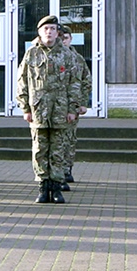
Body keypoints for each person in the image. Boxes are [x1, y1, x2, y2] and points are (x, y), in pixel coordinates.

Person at [16, 15, 81, 204]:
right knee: (40, 150)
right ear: (39, 32)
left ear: (57, 32)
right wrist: (25, 107)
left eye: (53, 29)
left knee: (58, 151)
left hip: (60, 110)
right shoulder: (31, 54)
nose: (49, 32)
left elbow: (74, 83)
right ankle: (43, 187)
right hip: (38, 111)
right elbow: (22, 82)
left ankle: (56, 186)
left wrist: (72, 108)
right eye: (46, 29)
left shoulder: (67, 55)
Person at [59, 25, 92, 191]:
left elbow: (86, 81)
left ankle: (67, 168)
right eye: (61, 37)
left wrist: (82, 103)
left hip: (72, 105)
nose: (63, 41)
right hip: (55, 105)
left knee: (69, 139)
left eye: (66, 38)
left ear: (70, 39)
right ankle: (57, 171)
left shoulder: (77, 58)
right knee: (58, 139)